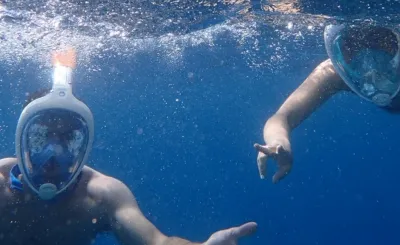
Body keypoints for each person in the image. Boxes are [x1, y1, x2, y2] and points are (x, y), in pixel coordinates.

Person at [0, 49, 257, 245]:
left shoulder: (100, 195)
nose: (53, 155)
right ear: (22, 137)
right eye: (42, 138)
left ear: (83, 145)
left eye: (68, 140)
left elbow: (157, 242)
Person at [254, 22, 400, 183]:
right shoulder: (335, 73)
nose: (372, 75)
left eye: (384, 61)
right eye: (357, 62)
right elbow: (282, 117)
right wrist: (278, 142)